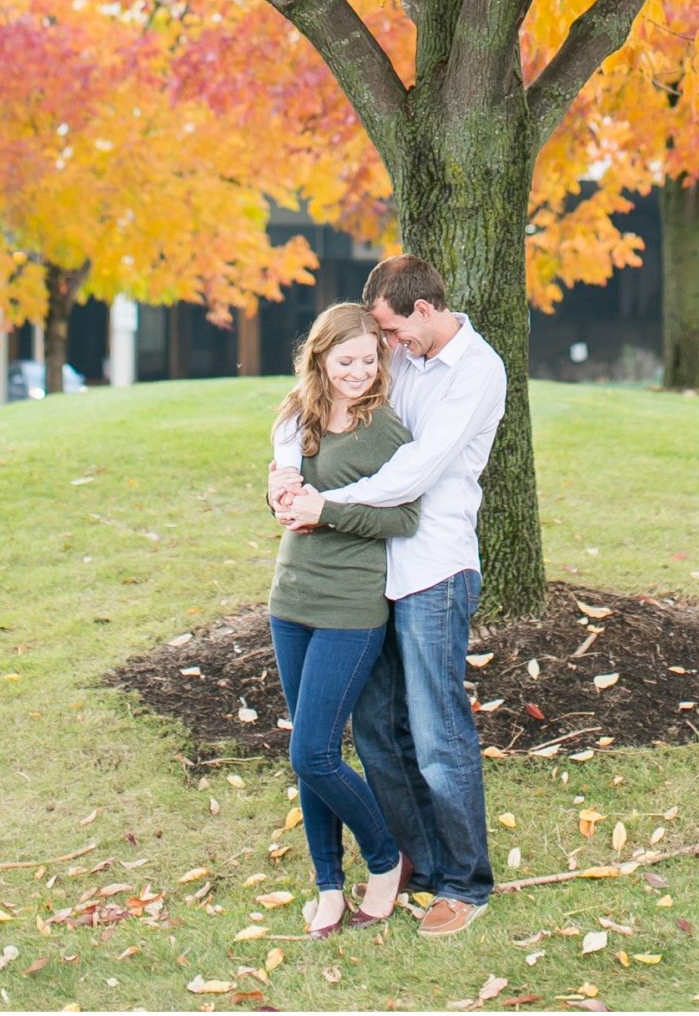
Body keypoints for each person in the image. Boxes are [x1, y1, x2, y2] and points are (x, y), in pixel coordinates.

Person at [269, 255, 506, 938]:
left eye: (395, 333)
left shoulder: (476, 372)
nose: (387, 349)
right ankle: (418, 863)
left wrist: (321, 504)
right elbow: (323, 400)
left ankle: (464, 884)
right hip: (368, 576)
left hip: (433, 566)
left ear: (423, 312)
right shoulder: (401, 355)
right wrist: (283, 478)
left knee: (436, 733)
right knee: (377, 731)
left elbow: (414, 471)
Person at [266, 302, 421, 939]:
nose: (358, 372)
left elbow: (404, 519)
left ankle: (385, 861)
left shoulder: (384, 430)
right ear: (320, 359)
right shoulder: (297, 415)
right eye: (345, 361)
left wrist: (325, 511)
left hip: (351, 607)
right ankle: (328, 886)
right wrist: (278, 497)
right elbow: (283, 485)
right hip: (290, 598)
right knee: (310, 756)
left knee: (314, 752)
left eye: (368, 360)